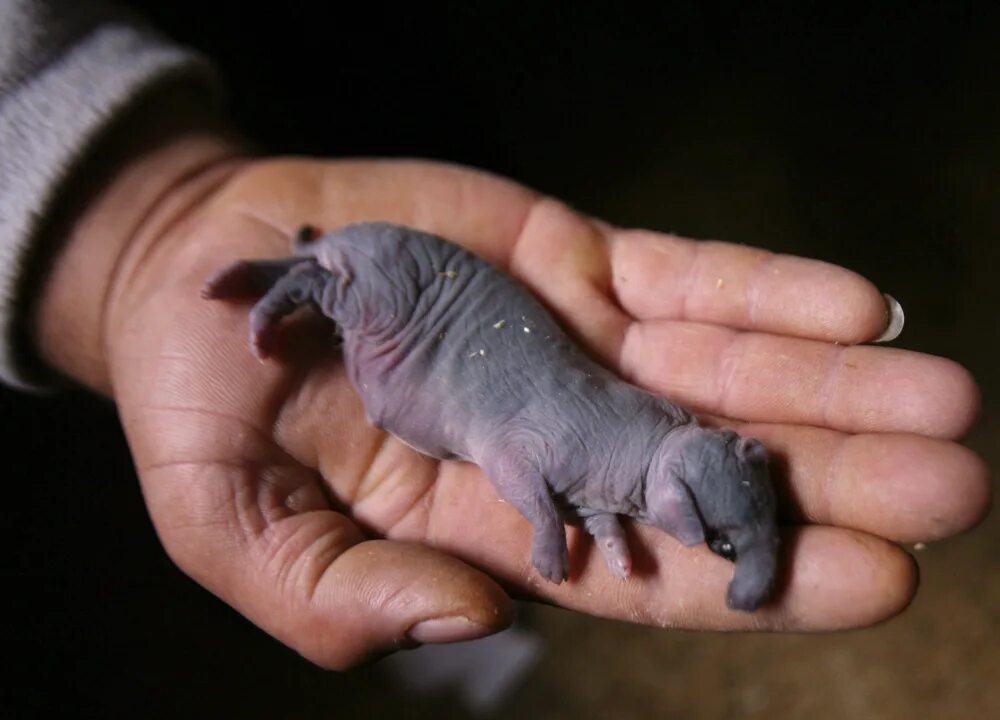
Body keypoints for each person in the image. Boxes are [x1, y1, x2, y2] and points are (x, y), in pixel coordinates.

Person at [0, 0, 990, 670]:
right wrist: (546, 520)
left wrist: (148, 222)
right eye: (734, 534)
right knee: (345, 271)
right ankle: (294, 274)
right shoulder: (636, 449)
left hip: (455, 344)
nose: (737, 549)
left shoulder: (661, 440)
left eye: (734, 536)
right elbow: (521, 453)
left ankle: (298, 261)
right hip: (421, 302)